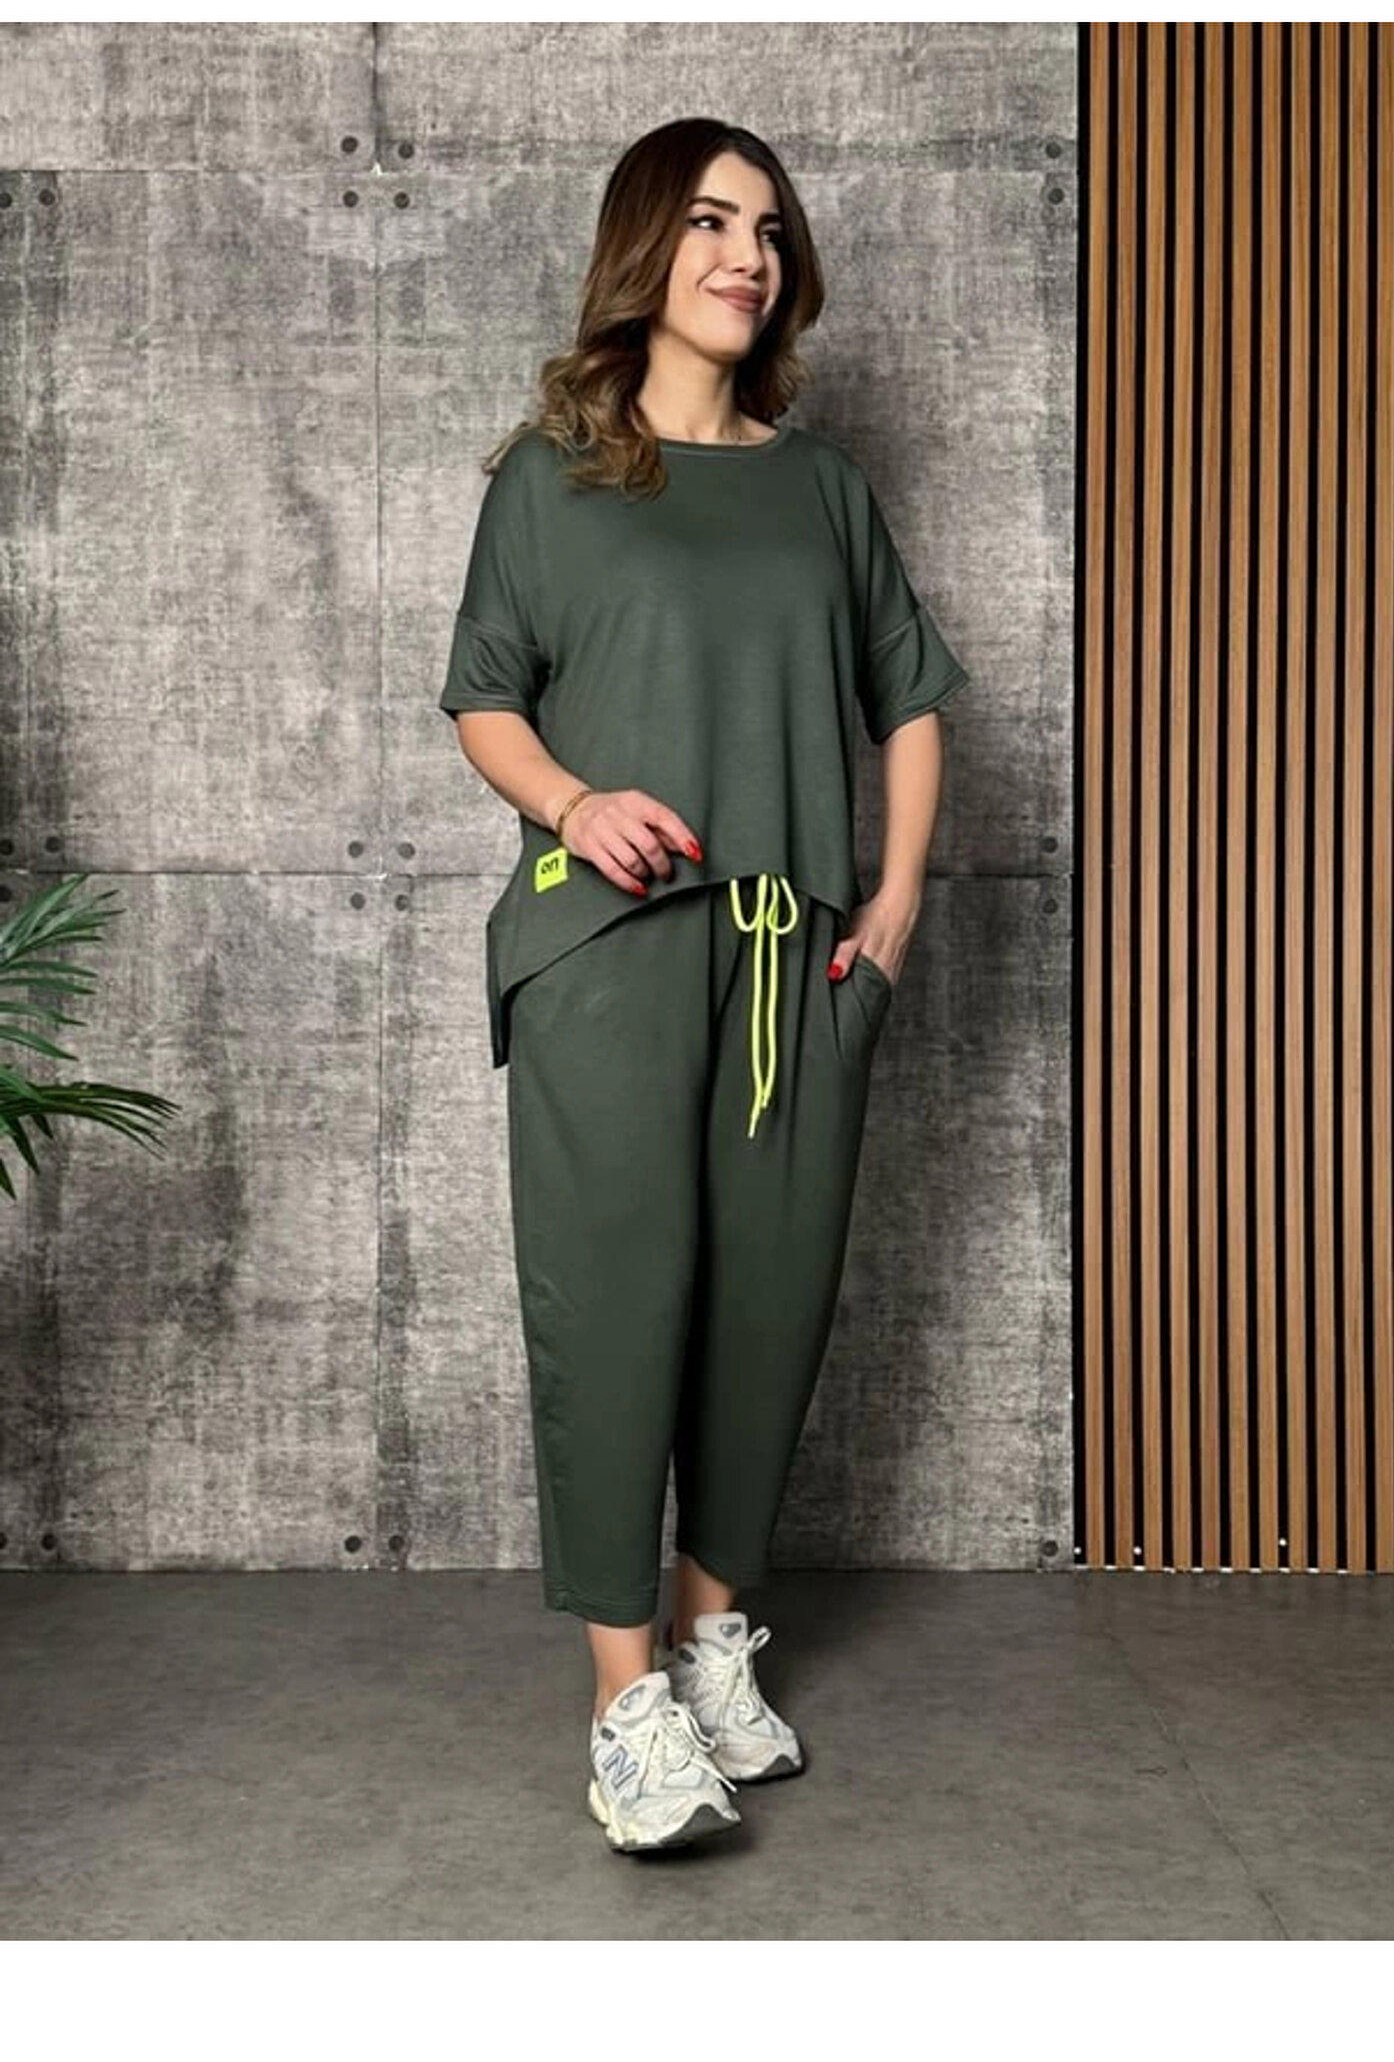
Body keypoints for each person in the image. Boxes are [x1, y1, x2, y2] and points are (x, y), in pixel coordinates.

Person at [439, 117, 971, 1854]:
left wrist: (892, 910)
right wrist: (574, 803)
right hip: (609, 952)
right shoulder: (552, 481)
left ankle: (711, 1639)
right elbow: (486, 697)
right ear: (645, 249)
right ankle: (625, 1703)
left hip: (794, 965)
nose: (748, 254)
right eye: (713, 222)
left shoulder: (822, 489)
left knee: (770, 1311)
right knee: (616, 1310)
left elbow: (910, 697)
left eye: (770, 229)